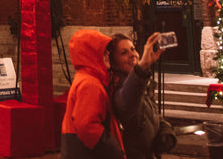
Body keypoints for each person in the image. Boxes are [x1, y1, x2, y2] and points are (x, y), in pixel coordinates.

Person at [108, 32, 174, 159]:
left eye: (133, 49)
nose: (132, 55)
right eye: (124, 53)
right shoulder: (118, 90)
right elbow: (128, 98)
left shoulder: (144, 86)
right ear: (114, 63)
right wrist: (143, 66)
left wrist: (166, 133)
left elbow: (153, 116)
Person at [60, 29, 120, 159]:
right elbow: (86, 126)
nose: (108, 54)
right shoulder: (90, 84)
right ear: (92, 54)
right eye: (103, 50)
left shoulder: (86, 78)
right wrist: (112, 147)